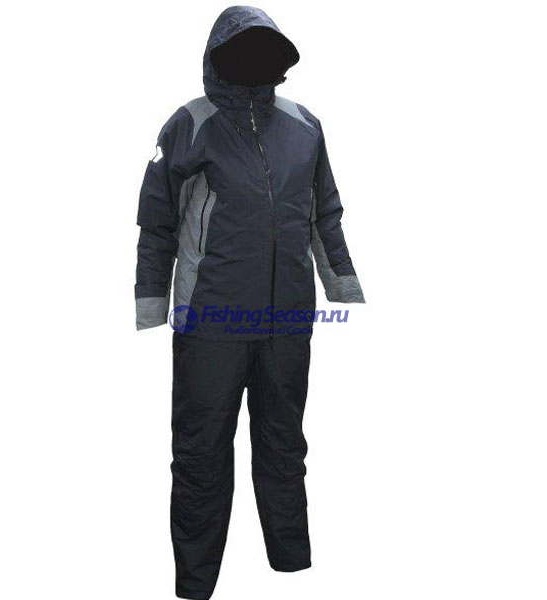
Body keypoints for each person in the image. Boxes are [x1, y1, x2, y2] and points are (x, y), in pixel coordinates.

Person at [135, 6, 365, 599]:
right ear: (217, 56)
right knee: (200, 454)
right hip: (210, 320)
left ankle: (291, 568)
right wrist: (151, 301)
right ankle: (195, 584)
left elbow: (325, 212)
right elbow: (157, 220)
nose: (251, 61)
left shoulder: (305, 125)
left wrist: (341, 286)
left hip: (289, 319)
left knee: (285, 445)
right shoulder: (189, 124)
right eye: (239, 50)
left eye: (263, 50)